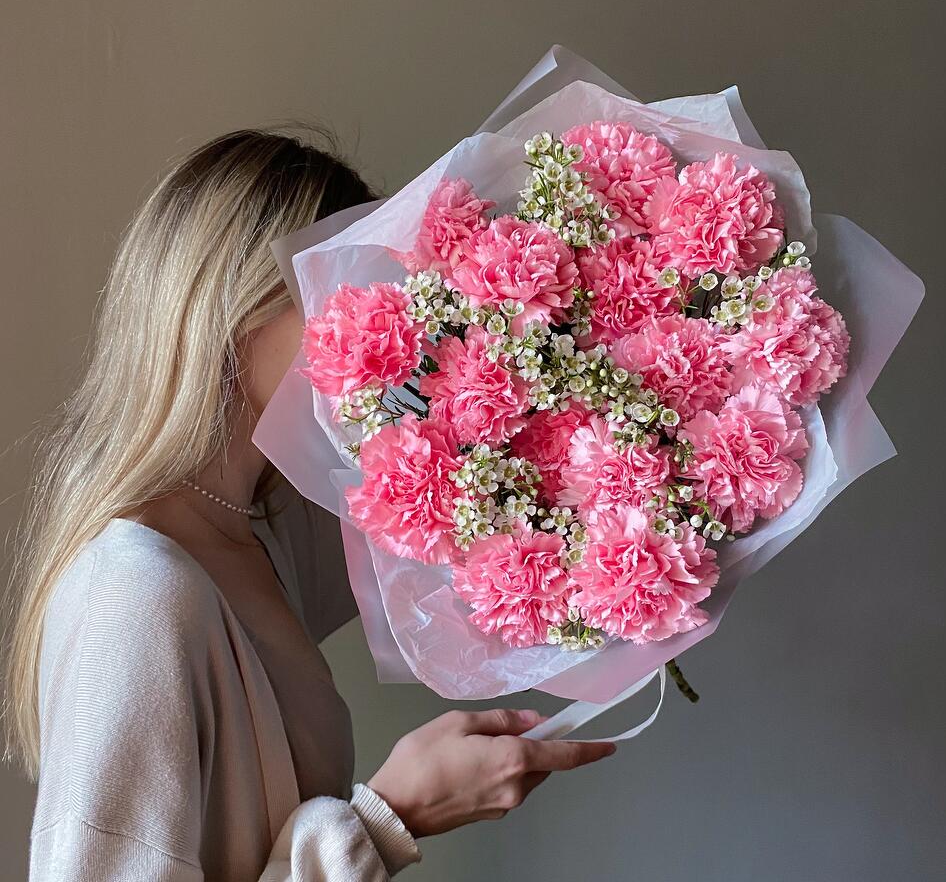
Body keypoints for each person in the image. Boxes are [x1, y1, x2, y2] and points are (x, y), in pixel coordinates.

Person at [2, 129, 616, 881]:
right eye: (343, 291)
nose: (382, 332)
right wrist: (389, 820)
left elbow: (474, 532)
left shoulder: (259, 525)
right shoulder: (135, 592)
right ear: (237, 307)